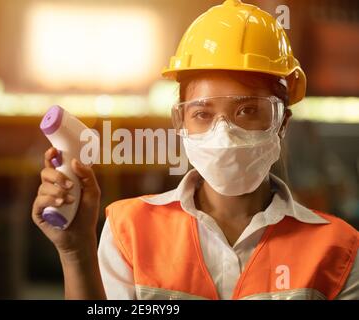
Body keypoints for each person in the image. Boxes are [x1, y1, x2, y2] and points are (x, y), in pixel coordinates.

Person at [31, 0, 358, 300]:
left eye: (248, 111)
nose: (224, 133)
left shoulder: (339, 248)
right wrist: (76, 252)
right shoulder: (130, 229)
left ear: (282, 123)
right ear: (181, 122)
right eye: (202, 114)